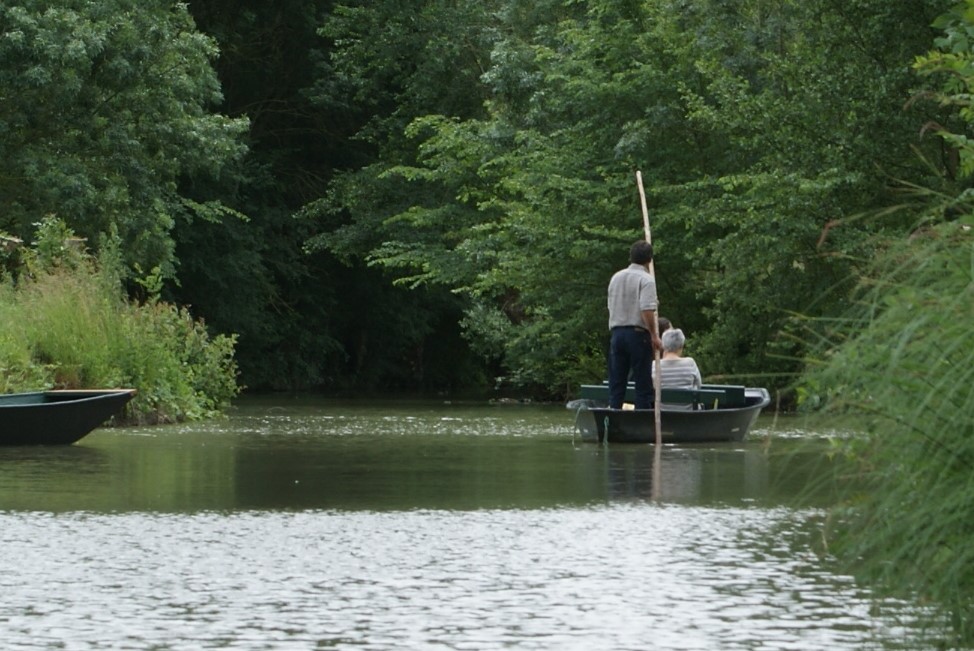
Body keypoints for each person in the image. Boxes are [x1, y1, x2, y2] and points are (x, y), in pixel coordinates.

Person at [607, 240, 663, 409]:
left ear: (630, 257)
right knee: (642, 382)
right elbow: (646, 310)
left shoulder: (616, 277)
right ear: (649, 259)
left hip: (617, 333)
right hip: (638, 334)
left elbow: (611, 305)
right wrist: (654, 335)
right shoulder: (646, 279)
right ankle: (642, 420)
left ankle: (614, 416)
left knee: (617, 382)